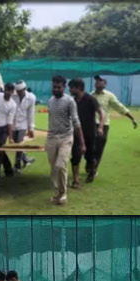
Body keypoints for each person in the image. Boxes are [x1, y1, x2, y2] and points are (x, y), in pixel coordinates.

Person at [46, 75, 84, 206]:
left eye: (59, 87)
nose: (56, 89)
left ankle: (63, 194)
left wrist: (82, 143)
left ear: (64, 87)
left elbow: (76, 121)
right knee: (54, 168)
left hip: (66, 137)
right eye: (54, 87)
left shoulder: (70, 101)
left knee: (60, 165)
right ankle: (57, 193)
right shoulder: (50, 100)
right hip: (51, 137)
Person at [91, 75, 138, 182]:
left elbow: (119, 107)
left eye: (100, 80)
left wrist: (132, 118)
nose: (97, 82)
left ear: (105, 84)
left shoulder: (109, 96)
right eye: (96, 80)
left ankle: (94, 169)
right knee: (90, 148)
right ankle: (91, 165)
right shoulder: (90, 95)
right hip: (92, 125)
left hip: (104, 125)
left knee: (99, 148)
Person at [68, 78, 105, 189]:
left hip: (90, 133)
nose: (69, 90)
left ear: (78, 88)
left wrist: (101, 127)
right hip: (76, 132)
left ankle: (91, 171)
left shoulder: (90, 99)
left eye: (71, 87)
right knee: (75, 155)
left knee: (89, 156)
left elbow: (101, 113)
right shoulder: (72, 101)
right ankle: (76, 180)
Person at [10, 80, 37, 173]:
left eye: (20, 91)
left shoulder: (31, 98)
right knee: (15, 144)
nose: (18, 93)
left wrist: (31, 128)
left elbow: (31, 113)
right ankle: (25, 159)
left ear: (24, 89)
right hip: (13, 123)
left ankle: (17, 166)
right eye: (17, 91)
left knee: (19, 144)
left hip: (23, 124)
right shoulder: (12, 95)